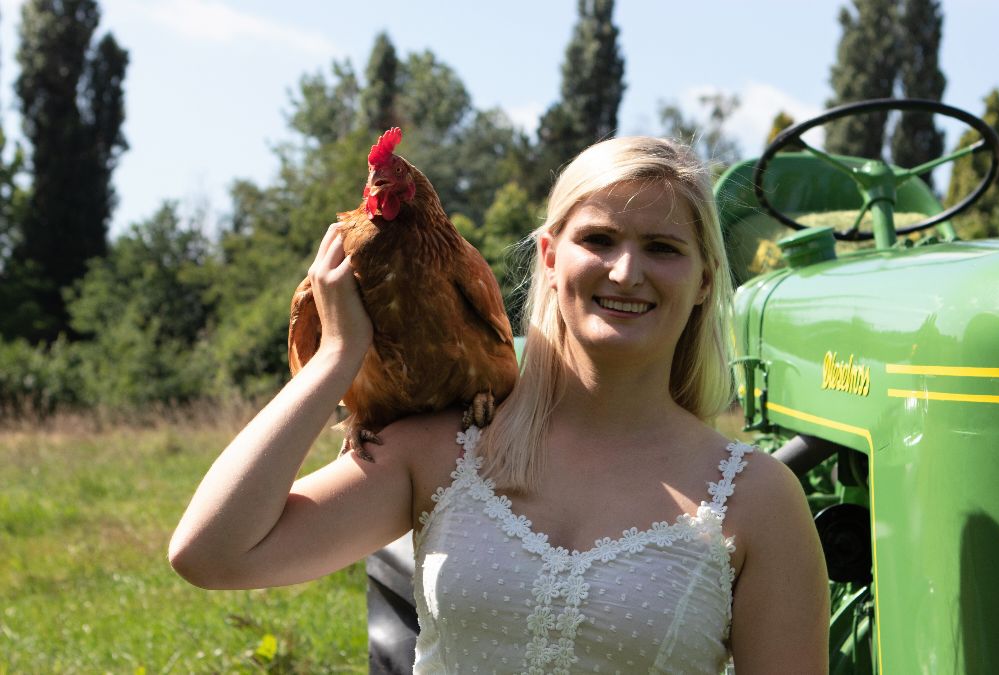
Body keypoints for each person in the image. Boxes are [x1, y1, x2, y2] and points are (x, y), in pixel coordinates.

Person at [169, 136, 829, 673]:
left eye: (662, 248)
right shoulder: (440, 453)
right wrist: (336, 355)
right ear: (548, 257)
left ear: (704, 279)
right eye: (599, 240)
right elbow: (211, 552)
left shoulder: (758, 497)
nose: (627, 271)